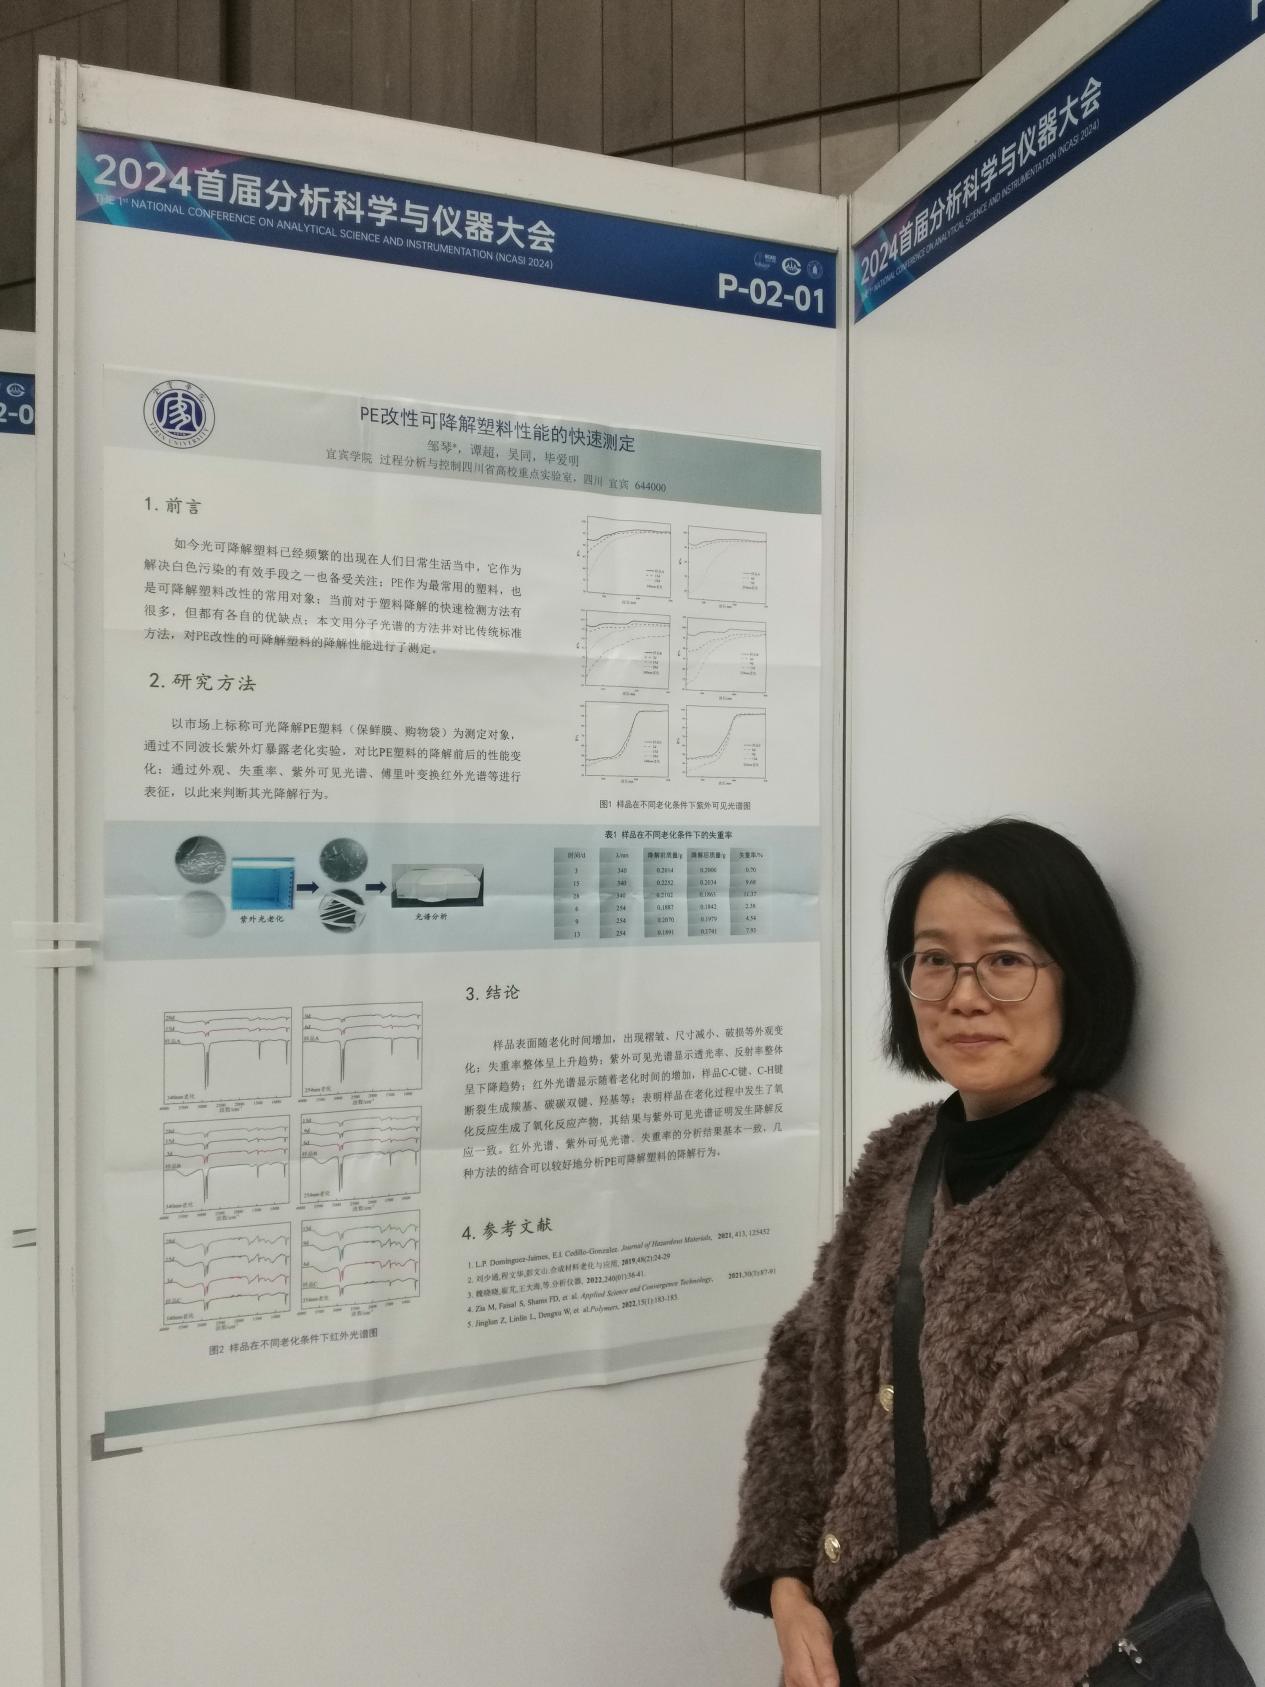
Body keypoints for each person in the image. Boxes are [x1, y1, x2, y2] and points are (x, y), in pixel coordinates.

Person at [721, 818, 1235, 1687]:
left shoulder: (1125, 1211)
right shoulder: (902, 1157)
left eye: (1004, 959)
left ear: (1078, 976)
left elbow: (1090, 1519)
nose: (963, 995)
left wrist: (868, 1656)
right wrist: (788, 1578)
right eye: (934, 959)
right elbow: (806, 1364)